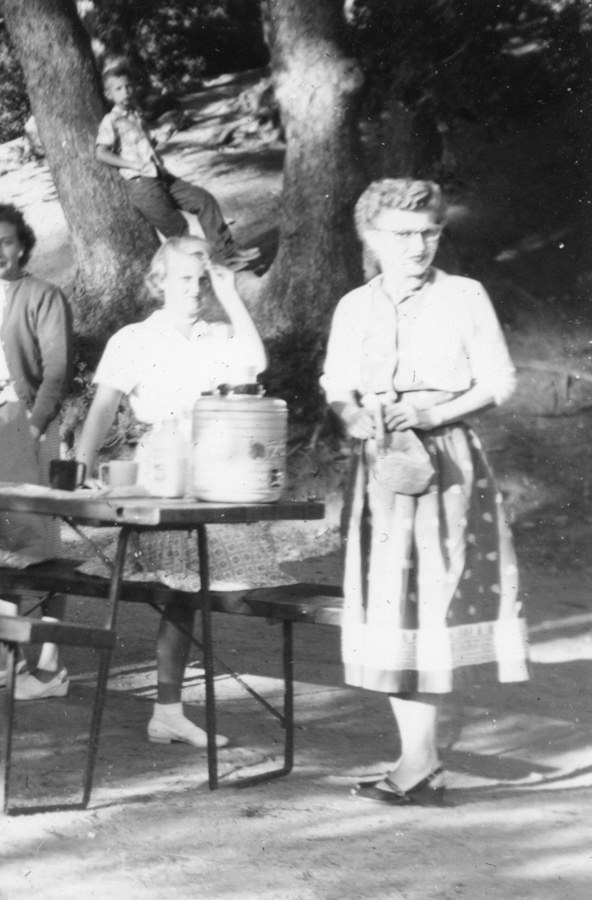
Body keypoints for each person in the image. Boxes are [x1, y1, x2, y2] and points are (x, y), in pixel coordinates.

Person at [321, 178, 526, 805]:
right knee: (390, 610)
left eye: (429, 232)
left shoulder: (464, 296)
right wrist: (352, 414)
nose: (418, 245)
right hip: (382, 468)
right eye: (403, 234)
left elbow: (500, 381)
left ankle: (419, 763)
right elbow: (337, 381)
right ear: (371, 238)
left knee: (431, 604)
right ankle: (420, 761)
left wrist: (434, 416)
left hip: (448, 469)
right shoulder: (356, 305)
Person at [74, 236, 270, 747]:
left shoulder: (218, 334)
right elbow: (102, 409)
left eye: (202, 279)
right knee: (179, 588)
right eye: (184, 278)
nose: (195, 288)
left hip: (211, 471)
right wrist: (79, 465)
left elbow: (255, 365)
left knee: (192, 591)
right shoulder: (134, 339)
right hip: (159, 472)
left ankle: (168, 709)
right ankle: (166, 707)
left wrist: (231, 295)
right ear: (159, 281)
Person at [0, 202, 75, 700]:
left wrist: (34, 423)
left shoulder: (43, 295)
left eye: (6, 241)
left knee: (38, 542)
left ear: (22, 244)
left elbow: (57, 370)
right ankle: (7, 658)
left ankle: (50, 664)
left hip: (26, 419)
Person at [95, 66, 259, 271]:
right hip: (141, 184)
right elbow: (101, 153)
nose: (126, 92)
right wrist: (133, 165)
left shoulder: (135, 115)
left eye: (128, 87)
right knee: (179, 230)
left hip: (160, 176)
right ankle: (210, 270)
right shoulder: (111, 121)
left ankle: (228, 252)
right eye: (119, 89)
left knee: (203, 200)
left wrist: (159, 137)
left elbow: (142, 146)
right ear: (109, 94)